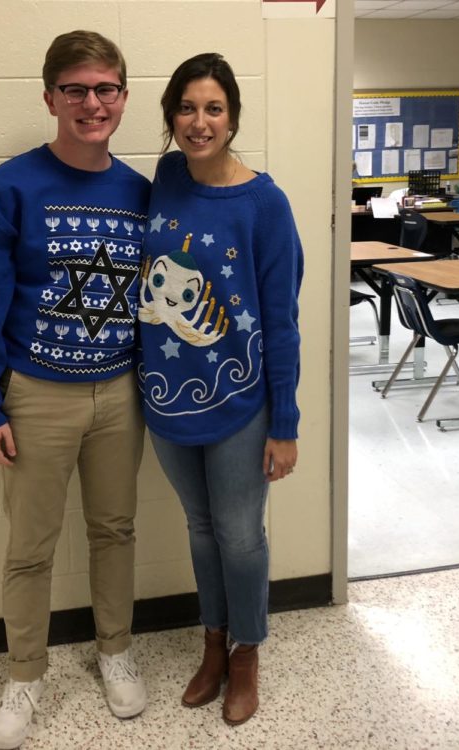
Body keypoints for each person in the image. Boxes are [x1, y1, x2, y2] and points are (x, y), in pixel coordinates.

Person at [0, 30, 150, 750]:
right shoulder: (11, 187)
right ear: (50, 98)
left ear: (123, 97)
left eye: (105, 89)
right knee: (31, 546)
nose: (91, 103)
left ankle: (116, 651)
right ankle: (26, 673)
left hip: (121, 394)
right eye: (75, 89)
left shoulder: (140, 192)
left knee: (115, 530)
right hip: (36, 394)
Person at [137, 53, 303, 726]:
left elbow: (282, 318)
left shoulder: (264, 202)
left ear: (233, 117)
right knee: (201, 529)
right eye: (186, 108)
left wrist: (284, 422)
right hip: (166, 398)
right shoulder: (167, 174)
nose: (198, 122)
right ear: (170, 116)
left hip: (239, 402)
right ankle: (211, 643)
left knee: (239, 535)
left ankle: (246, 653)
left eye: (213, 109)